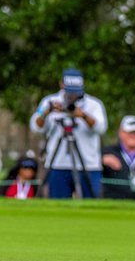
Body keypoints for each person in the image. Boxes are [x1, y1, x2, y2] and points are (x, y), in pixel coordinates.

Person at [30, 68, 107, 198]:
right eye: (70, 92)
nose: (72, 96)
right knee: (57, 203)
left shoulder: (94, 104)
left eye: (76, 93)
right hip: (57, 164)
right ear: (61, 85)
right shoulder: (50, 101)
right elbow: (35, 126)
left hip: (88, 165)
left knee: (91, 203)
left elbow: (101, 127)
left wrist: (82, 115)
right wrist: (47, 112)